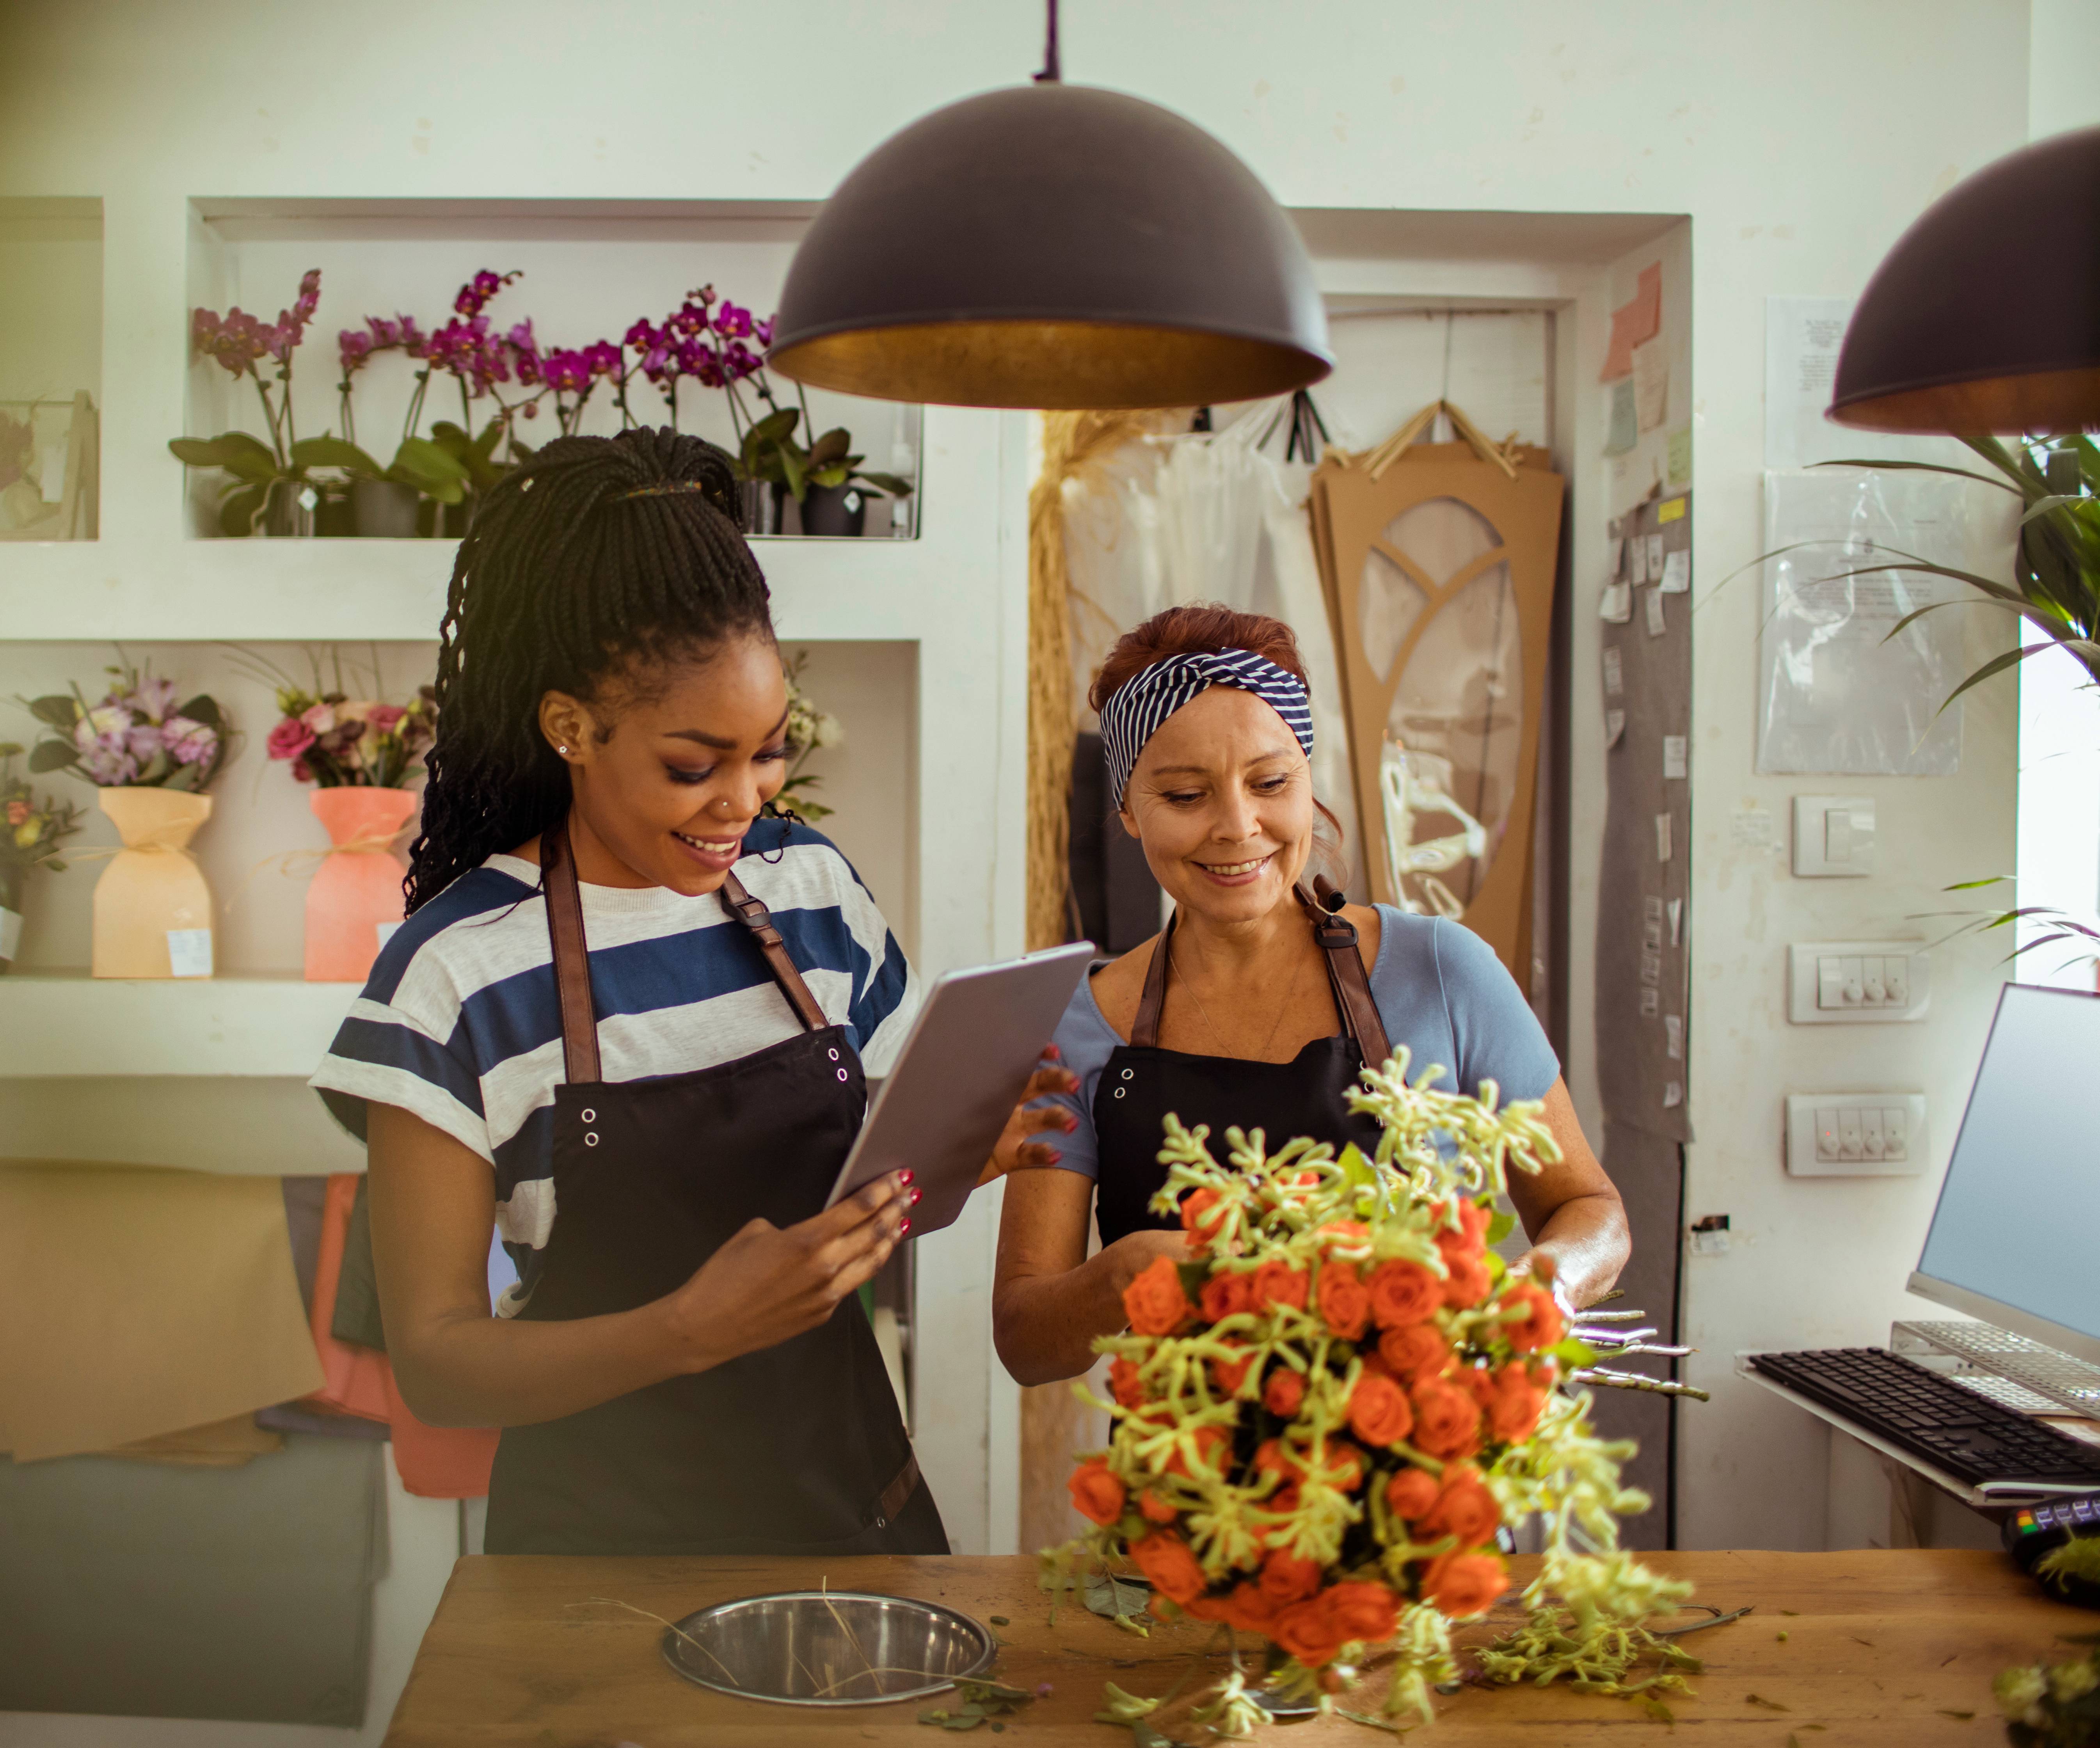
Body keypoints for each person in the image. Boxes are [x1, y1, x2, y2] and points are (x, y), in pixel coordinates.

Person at [311, 428, 1070, 1554]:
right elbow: (435, 1365)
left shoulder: (807, 892)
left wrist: (960, 1145)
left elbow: (869, 1171)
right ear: (569, 727)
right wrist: (681, 1332)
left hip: (848, 1513)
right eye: (692, 763)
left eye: (768, 750)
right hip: (599, 1560)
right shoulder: (455, 978)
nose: (743, 801)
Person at [993, 604, 1628, 1386]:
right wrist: (1127, 1273)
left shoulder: (1442, 970)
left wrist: (1539, 1292)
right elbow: (1025, 1338)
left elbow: (1590, 1208)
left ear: (1308, 778)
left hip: (1427, 1480)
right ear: (1127, 808)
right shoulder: (1082, 1023)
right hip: (1190, 1498)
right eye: (1186, 795)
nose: (1238, 825)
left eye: (1270, 782)